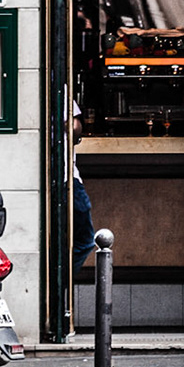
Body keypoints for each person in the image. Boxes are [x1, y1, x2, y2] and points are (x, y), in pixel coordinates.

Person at [71, 100, 97, 269]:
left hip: (59, 176)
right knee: (85, 240)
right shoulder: (62, 90)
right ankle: (60, 279)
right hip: (67, 177)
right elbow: (74, 127)